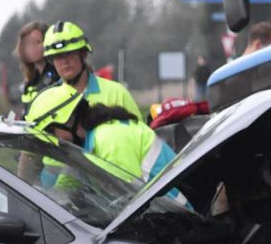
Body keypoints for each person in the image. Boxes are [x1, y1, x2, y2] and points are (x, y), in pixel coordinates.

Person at [23, 84, 186, 202]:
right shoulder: (85, 145)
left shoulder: (109, 139)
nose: (53, 141)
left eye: (51, 132)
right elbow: (69, 186)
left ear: (70, 120)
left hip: (177, 219)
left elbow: (128, 201)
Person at [42, 21, 142, 121]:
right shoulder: (47, 101)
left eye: (69, 53)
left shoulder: (117, 94)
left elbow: (138, 133)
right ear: (51, 61)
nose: (64, 61)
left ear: (83, 54)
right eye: (58, 56)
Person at [14, 21, 59, 116]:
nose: (31, 48)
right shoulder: (30, 81)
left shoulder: (59, 74)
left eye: (36, 42)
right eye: (27, 44)